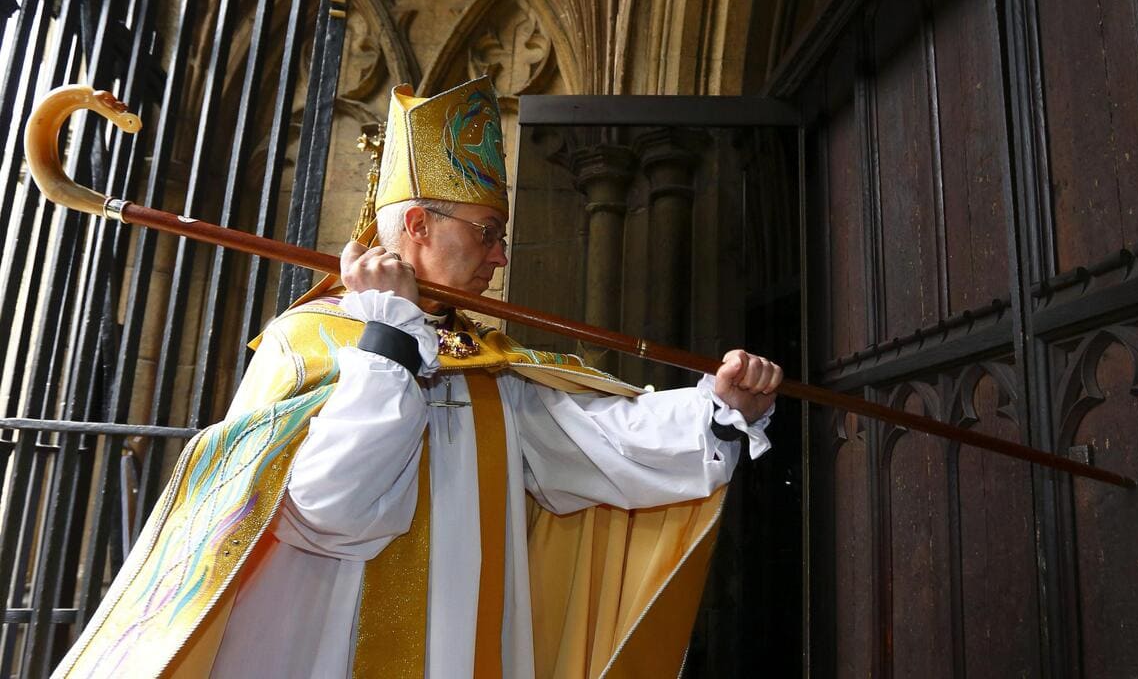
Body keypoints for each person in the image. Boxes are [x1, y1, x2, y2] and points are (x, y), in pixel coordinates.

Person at [54, 77, 781, 679]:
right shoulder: (308, 344)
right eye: (486, 232)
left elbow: (593, 444)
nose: (500, 258)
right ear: (418, 229)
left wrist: (717, 409)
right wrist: (389, 341)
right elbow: (331, 509)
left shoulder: (482, 356)